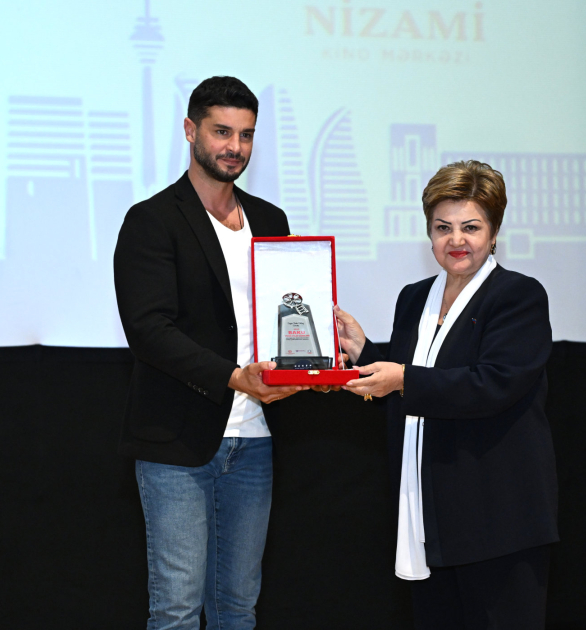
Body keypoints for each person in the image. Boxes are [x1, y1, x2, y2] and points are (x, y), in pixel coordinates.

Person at [114, 76, 307, 630]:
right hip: (177, 442)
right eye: (222, 132)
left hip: (256, 441)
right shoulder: (152, 220)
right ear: (190, 130)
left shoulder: (271, 220)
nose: (235, 147)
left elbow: (284, 315)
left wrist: (316, 340)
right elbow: (149, 331)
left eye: (246, 135)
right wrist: (234, 377)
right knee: (176, 611)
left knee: (237, 609)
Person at [334, 160, 558, 629]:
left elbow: (492, 384)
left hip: (498, 519)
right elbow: (413, 380)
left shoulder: (518, 296)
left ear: (493, 233)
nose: (456, 240)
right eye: (443, 227)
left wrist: (402, 378)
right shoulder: (414, 297)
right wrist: (362, 351)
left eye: (470, 227)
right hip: (429, 518)